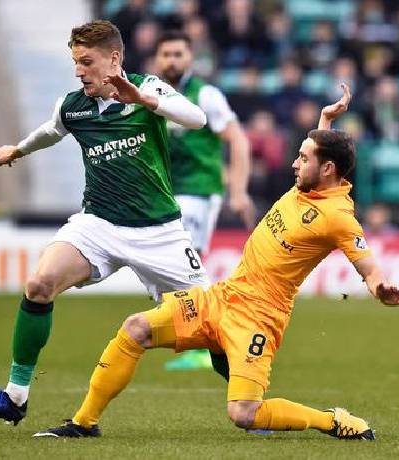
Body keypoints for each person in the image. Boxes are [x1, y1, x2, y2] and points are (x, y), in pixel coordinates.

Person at [35, 84, 399, 440]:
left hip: (258, 318)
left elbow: (367, 264)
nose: (295, 163)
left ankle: (332, 421)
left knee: (244, 414)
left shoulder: (338, 215)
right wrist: (325, 121)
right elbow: (323, 153)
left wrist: (379, 286)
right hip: (223, 297)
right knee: (136, 328)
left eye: (303, 158)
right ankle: (84, 423)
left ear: (327, 169)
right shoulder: (309, 184)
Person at [0, 20, 213, 425]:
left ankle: (251, 404)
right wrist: (18, 150)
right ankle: (15, 396)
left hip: (160, 232)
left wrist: (144, 98)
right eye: (75, 62)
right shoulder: (73, 106)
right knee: (40, 284)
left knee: (213, 328)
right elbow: (50, 131)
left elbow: (197, 118)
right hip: (98, 224)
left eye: (86, 62)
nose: (78, 71)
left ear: (114, 59)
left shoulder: (150, 87)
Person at [153, 30, 255, 371]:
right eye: (166, 54)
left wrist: (238, 191)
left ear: (190, 58)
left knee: (186, 264)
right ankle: (201, 334)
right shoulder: (151, 94)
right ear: (157, 58)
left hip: (199, 190)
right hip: (165, 192)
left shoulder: (206, 95)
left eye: (178, 54)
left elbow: (238, 140)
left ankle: (205, 341)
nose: (171, 60)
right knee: (169, 269)